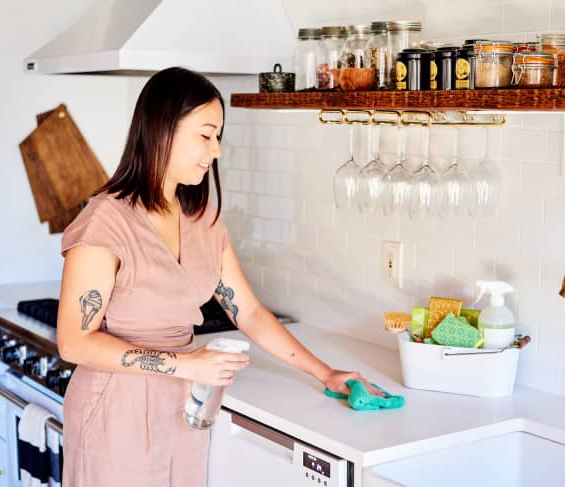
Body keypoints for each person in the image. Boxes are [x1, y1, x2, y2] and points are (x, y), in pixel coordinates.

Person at [56, 67, 383, 486]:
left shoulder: (203, 220)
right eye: (206, 135)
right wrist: (186, 364)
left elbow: (248, 312)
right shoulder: (105, 222)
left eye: (218, 137)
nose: (217, 150)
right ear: (162, 130)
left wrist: (325, 373)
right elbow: (74, 342)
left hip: (185, 405)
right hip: (114, 407)